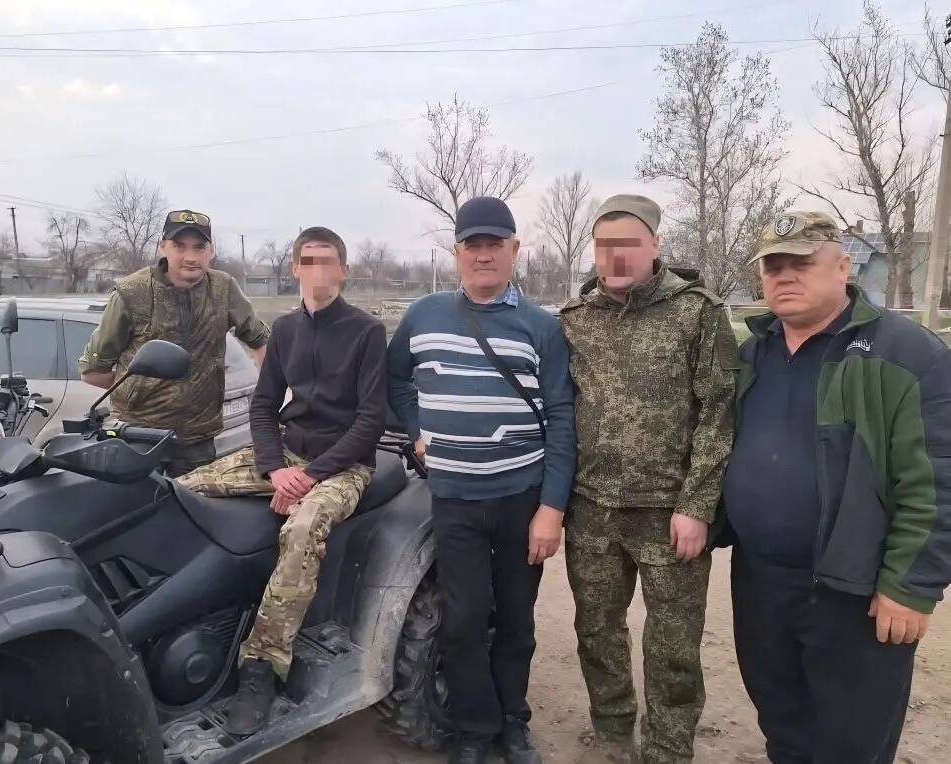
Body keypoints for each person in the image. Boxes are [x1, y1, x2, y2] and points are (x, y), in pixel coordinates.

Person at [721, 211, 951, 764]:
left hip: (853, 592)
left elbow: (937, 478)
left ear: (843, 266)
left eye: (801, 262)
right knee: (783, 724)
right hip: (762, 582)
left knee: (851, 743)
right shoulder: (754, 353)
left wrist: (911, 584)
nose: (784, 275)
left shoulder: (906, 354)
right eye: (773, 265)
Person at [387, 197, 576, 764]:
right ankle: (474, 729)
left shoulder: (542, 327)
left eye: (496, 244)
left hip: (521, 499)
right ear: (457, 252)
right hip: (454, 499)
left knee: (515, 621)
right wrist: (417, 431)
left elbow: (562, 417)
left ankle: (512, 723)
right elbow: (395, 381)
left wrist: (552, 508)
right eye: (474, 244)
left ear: (515, 250)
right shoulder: (423, 315)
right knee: (464, 621)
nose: (484, 254)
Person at [559, 194, 738, 764]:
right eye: (604, 245)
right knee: (597, 631)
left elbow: (719, 412)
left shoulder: (697, 313)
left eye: (629, 244)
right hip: (592, 509)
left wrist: (698, 505)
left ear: (655, 245)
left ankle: (667, 747)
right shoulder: (574, 321)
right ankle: (613, 730)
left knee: (674, 643)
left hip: (670, 512)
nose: (616, 256)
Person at [217, 226, 388, 736]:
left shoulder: (366, 331)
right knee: (182, 487)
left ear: (343, 270)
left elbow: (370, 422)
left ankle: (262, 666)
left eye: (328, 261)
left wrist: (309, 477)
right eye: (308, 261)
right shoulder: (285, 330)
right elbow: (264, 405)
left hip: (344, 465)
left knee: (302, 526)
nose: (318, 271)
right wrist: (275, 468)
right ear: (294, 268)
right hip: (287, 456)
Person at [78, 209, 268, 477]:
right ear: (162, 247)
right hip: (140, 434)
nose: (190, 257)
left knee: (195, 501)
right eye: (179, 246)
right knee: (139, 500)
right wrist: (141, 389)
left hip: (198, 438)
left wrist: (268, 396)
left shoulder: (223, 288)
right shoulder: (132, 292)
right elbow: (91, 371)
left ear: (211, 251)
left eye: (199, 247)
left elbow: (260, 340)